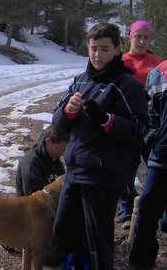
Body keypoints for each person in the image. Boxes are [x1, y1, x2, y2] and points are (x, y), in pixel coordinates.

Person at [52, 22, 149, 270]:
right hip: (74, 170)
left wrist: (107, 119)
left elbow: (140, 131)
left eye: (104, 49)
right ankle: (80, 264)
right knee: (63, 229)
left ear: (118, 49)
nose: (97, 55)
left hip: (104, 175)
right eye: (93, 48)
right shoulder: (80, 81)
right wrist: (68, 110)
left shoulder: (127, 85)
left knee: (99, 240)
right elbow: (57, 123)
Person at [118, 19, 163, 222]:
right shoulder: (120, 62)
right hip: (127, 123)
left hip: (152, 126)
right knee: (125, 168)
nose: (142, 41)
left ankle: (156, 209)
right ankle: (126, 208)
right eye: (138, 36)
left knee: (155, 169)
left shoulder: (159, 64)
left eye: (146, 37)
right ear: (130, 36)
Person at [128, 60, 167, 270]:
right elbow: (151, 115)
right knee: (147, 209)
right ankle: (141, 263)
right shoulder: (159, 73)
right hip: (162, 158)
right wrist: (152, 138)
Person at [15, 124, 69, 266]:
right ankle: (13, 242)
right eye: (60, 148)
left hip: (51, 212)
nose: (62, 153)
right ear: (48, 142)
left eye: (64, 149)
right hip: (32, 218)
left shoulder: (53, 159)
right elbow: (35, 204)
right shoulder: (31, 163)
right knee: (53, 256)